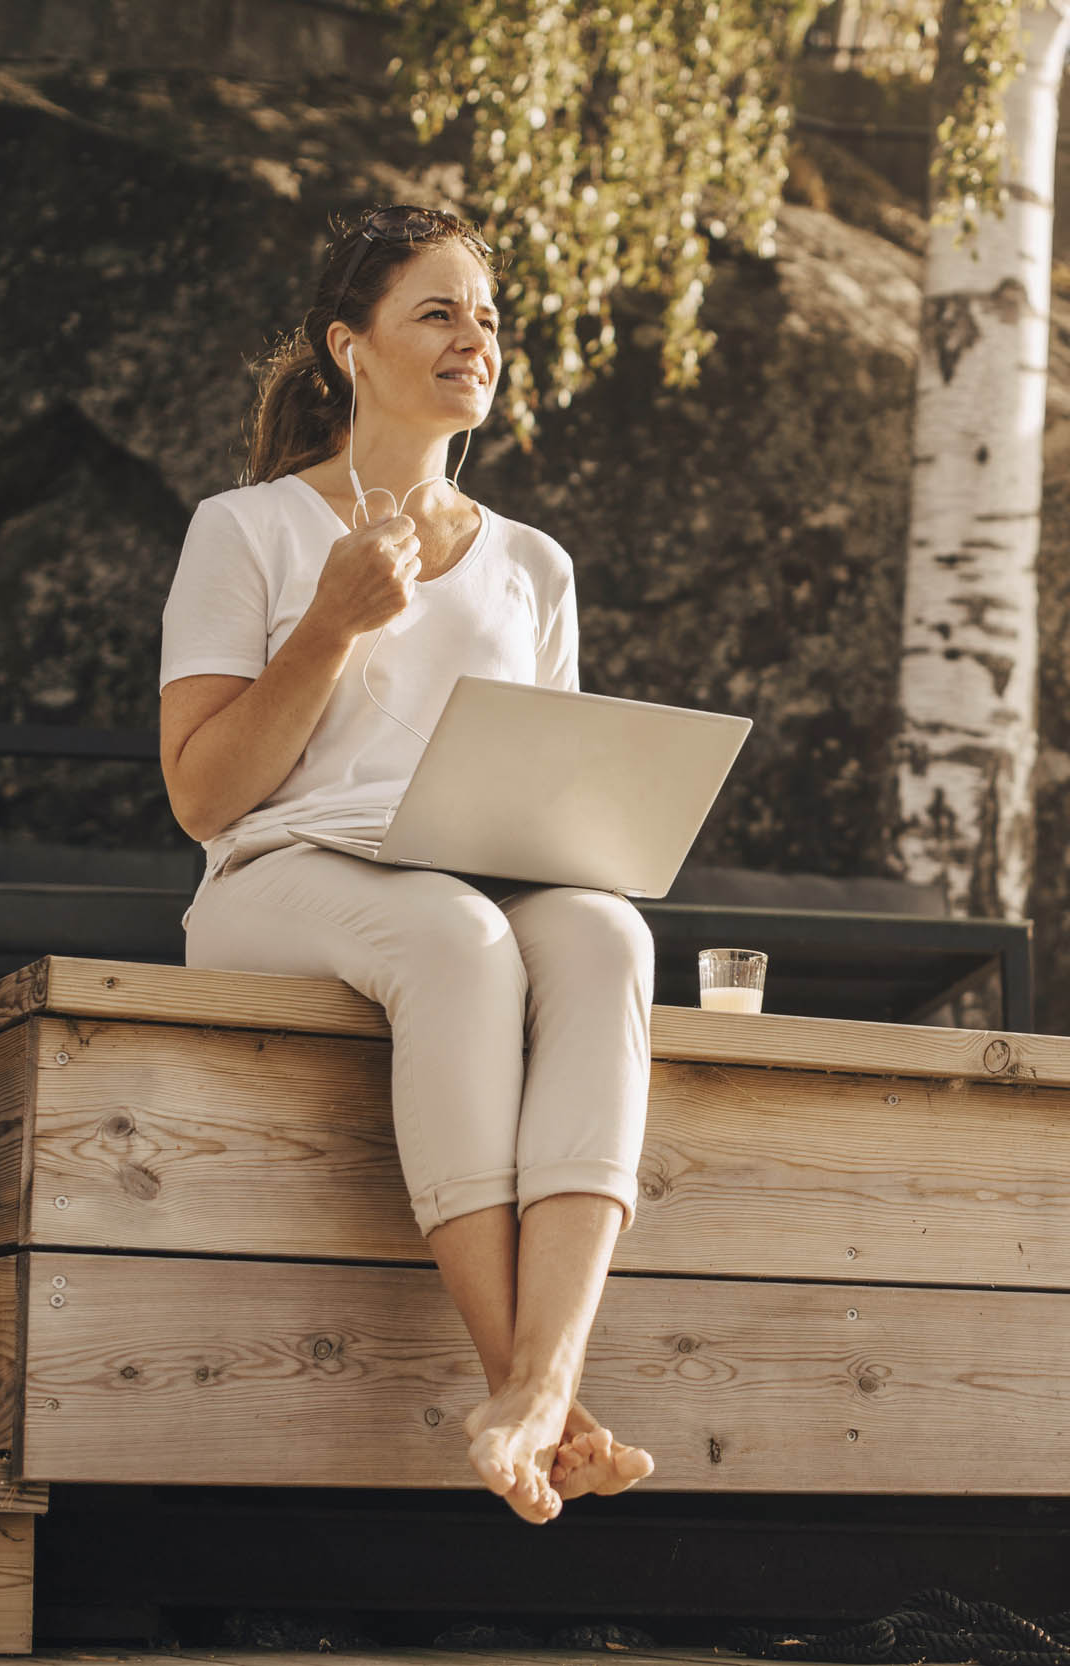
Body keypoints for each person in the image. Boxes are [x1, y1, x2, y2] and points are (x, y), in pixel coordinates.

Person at [157, 204, 657, 1525]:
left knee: (608, 935)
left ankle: (540, 1385)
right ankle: (527, 1387)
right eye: (436, 312)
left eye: (488, 318)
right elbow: (201, 796)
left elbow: (546, 796)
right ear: (350, 348)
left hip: (466, 877)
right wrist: (324, 626)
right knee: (454, 940)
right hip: (279, 876)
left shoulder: (533, 566)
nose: (472, 338)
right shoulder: (246, 527)